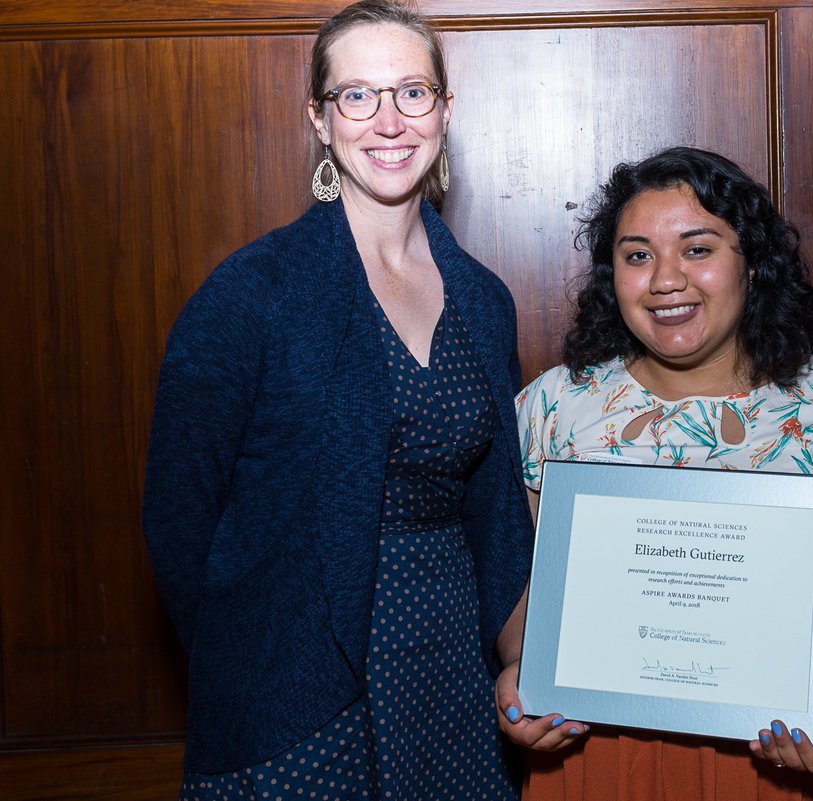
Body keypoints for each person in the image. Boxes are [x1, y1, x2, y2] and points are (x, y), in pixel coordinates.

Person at [142, 2, 533, 798]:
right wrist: (250, 671)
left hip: (453, 670)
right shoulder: (251, 294)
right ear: (320, 120)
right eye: (356, 96)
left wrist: (523, 658)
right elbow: (179, 520)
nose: (387, 120)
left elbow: (496, 516)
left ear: (446, 109)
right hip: (299, 691)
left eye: (412, 92)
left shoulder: (484, 300)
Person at [496, 146, 813, 801]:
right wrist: (529, 668)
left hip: (787, 755)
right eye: (636, 254)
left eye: (698, 249)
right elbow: (519, 589)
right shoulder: (550, 407)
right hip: (596, 753)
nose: (665, 280)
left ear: (754, 263)